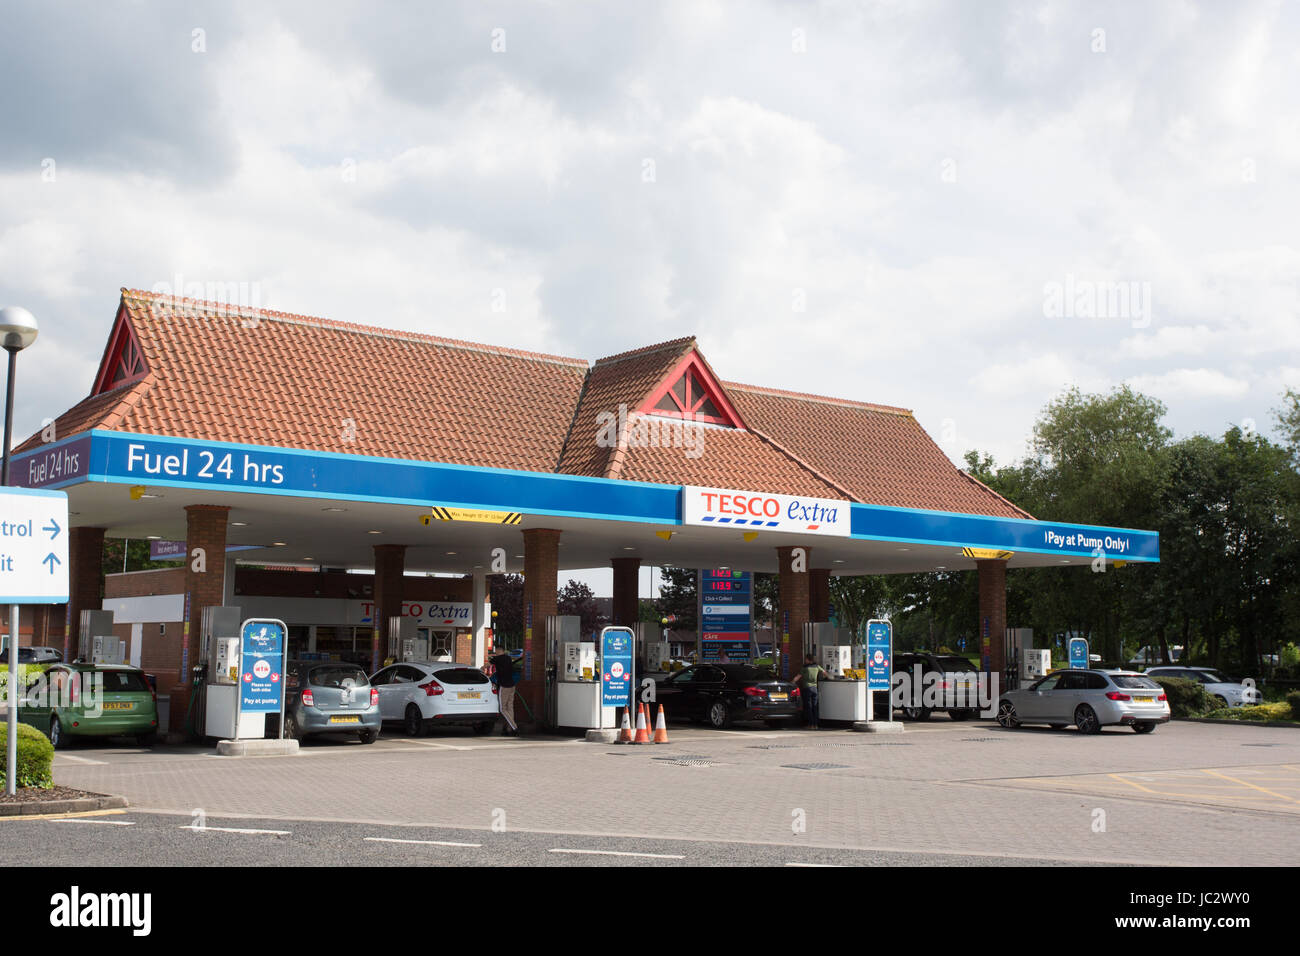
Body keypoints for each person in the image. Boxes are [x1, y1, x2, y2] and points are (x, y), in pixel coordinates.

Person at [792, 653, 831, 729]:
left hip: (807, 689)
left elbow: (798, 677)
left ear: (808, 659)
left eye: (806, 659)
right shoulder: (817, 666)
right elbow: (825, 673)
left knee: (809, 707)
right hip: (815, 689)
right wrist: (828, 678)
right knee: (815, 707)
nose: (805, 660)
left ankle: (810, 725)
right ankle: (815, 725)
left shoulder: (805, 668)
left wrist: (792, 682)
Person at [489, 649, 520, 737]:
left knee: (503, 709)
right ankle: (508, 729)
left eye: (496, 652)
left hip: (504, 686)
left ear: (498, 651)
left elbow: (488, 664)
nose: (495, 654)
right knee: (510, 707)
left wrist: (482, 667)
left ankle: (514, 728)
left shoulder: (497, 659)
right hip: (512, 685)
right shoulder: (509, 658)